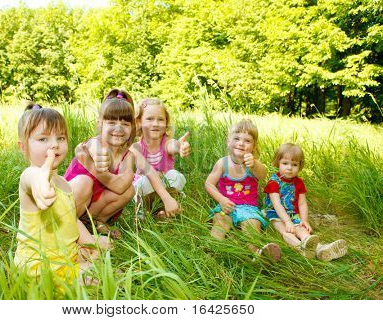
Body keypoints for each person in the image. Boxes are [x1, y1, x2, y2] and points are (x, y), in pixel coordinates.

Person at [14, 103, 108, 285]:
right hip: (41, 267)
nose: (54, 145)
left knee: (104, 244)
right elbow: (31, 179)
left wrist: (90, 244)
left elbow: (71, 218)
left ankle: (83, 261)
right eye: (43, 139)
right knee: (104, 276)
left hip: (64, 253)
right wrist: (39, 184)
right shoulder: (31, 175)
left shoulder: (63, 183)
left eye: (61, 138)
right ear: (23, 147)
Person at [65, 90, 179, 238]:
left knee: (128, 190)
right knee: (84, 182)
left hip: (91, 206)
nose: (118, 129)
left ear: (132, 128)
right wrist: (94, 158)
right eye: (111, 122)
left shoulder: (128, 155)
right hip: (69, 203)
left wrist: (93, 168)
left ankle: (93, 223)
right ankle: (68, 226)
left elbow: (120, 187)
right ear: (99, 124)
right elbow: (94, 149)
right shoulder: (93, 144)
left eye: (125, 124)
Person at [205, 119, 281, 261]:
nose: (241, 143)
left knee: (252, 226)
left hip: (249, 209)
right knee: (221, 222)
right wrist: (221, 199)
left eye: (247, 141)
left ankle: (257, 255)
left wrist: (254, 165)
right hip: (226, 206)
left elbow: (263, 175)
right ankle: (212, 251)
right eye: (237, 138)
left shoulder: (254, 165)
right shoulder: (222, 163)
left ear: (254, 146)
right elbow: (209, 184)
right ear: (229, 141)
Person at [264, 143, 348, 261]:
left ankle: (320, 249)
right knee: (286, 231)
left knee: (301, 230)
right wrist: (287, 221)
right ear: (278, 162)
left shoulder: (298, 182)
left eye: (294, 165)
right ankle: (301, 249)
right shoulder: (274, 182)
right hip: (275, 214)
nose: (289, 168)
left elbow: (302, 203)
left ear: (300, 166)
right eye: (285, 163)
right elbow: (276, 204)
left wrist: (304, 220)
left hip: (292, 214)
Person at [132, 98, 190, 219]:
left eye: (160, 119)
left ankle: (164, 209)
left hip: (165, 187)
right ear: (139, 122)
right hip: (146, 191)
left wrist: (180, 146)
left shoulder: (167, 142)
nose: (155, 123)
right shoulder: (136, 147)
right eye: (149, 119)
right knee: (141, 183)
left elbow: (172, 146)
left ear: (166, 123)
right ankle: (144, 211)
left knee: (175, 175)